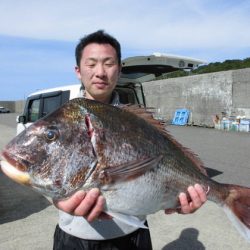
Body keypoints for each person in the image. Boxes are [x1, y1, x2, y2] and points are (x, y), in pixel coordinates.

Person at [53, 30, 207, 250]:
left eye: (108, 63)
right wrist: (57, 200)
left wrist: (181, 198)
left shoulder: (138, 122)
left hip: (133, 237)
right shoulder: (64, 121)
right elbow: (46, 174)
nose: (100, 72)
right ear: (78, 70)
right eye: (91, 64)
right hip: (75, 238)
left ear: (119, 69)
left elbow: (161, 169)